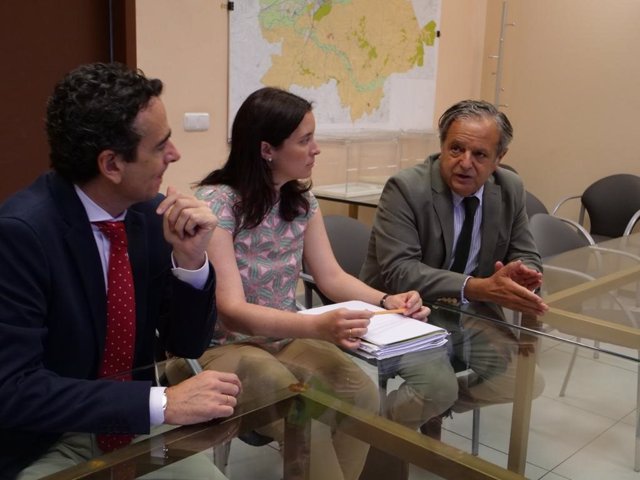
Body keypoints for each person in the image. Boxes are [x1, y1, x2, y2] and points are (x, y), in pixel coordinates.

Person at [166, 86, 429, 480]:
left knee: (362, 394)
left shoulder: (301, 200)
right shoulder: (216, 205)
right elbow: (233, 313)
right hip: (219, 347)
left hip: (284, 337)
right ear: (267, 149)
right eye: (305, 140)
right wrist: (317, 327)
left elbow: (331, 277)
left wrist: (387, 299)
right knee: (305, 414)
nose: (316, 149)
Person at [0, 62, 241, 480]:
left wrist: (190, 262)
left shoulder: (146, 217)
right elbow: (15, 390)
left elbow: (187, 343)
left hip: (133, 428)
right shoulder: (21, 234)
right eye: (160, 145)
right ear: (111, 165)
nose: (176, 154)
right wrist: (162, 403)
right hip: (50, 439)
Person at [359, 99, 547, 436]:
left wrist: (523, 273)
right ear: (442, 145)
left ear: (498, 159)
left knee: (526, 382)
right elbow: (399, 270)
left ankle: (424, 410)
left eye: (480, 155)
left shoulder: (510, 189)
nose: (465, 163)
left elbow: (526, 252)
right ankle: (365, 430)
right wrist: (477, 286)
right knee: (436, 386)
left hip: (467, 312)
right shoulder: (406, 188)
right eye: (456, 149)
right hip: (403, 309)